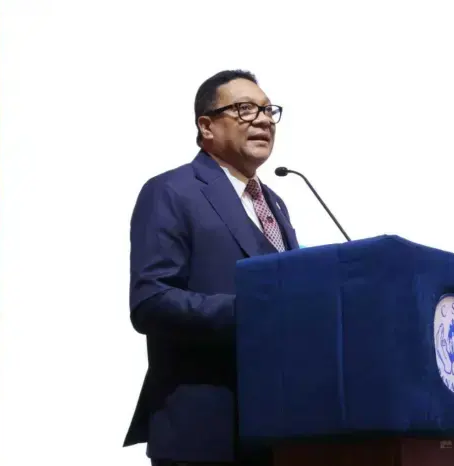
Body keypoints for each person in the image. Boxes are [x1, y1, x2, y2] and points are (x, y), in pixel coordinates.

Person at [123, 69, 299, 466]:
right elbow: (150, 301)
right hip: (203, 429)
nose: (263, 120)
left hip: (276, 428)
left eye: (268, 110)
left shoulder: (275, 203)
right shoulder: (171, 191)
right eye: (245, 109)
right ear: (207, 126)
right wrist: (249, 312)